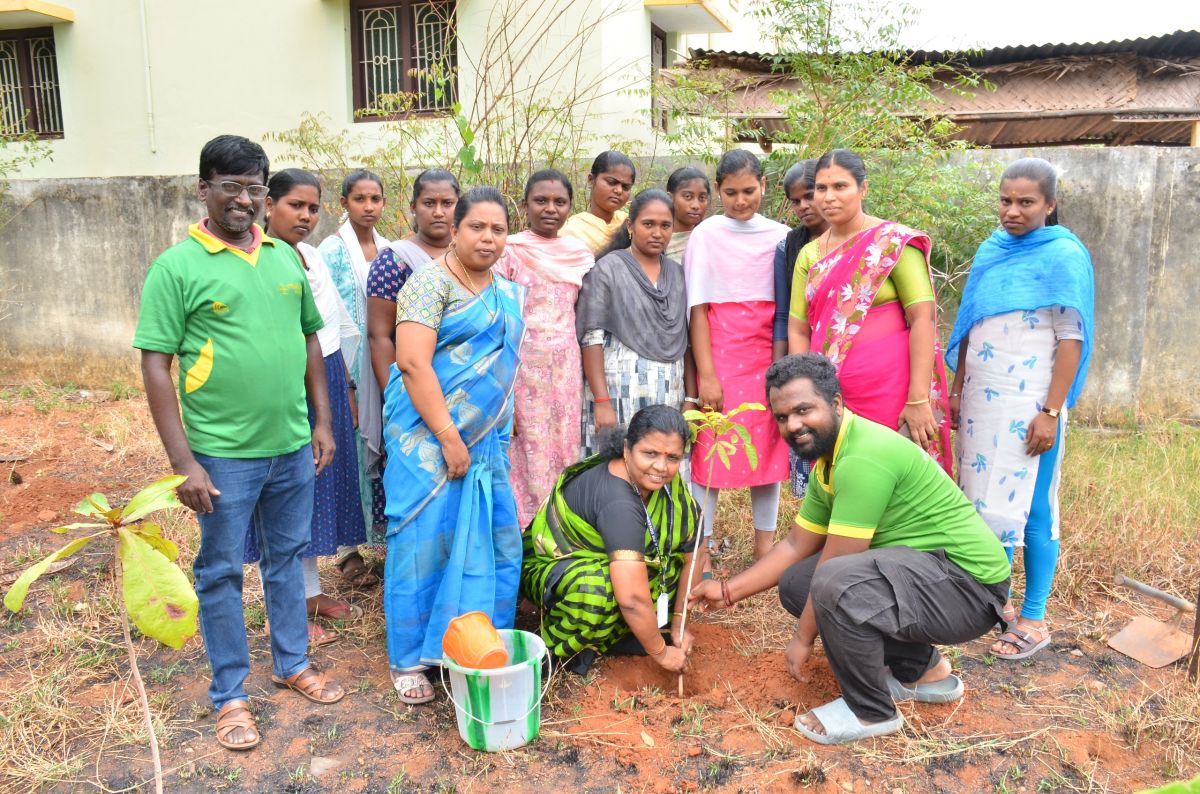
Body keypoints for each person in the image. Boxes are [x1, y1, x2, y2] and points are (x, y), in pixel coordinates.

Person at [134, 136, 344, 751]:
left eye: (255, 188)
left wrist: (322, 423)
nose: (244, 200)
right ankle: (230, 694)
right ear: (204, 189)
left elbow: (309, 340)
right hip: (222, 455)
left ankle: (291, 662)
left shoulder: (284, 258)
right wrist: (184, 462)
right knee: (222, 571)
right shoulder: (177, 267)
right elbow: (155, 365)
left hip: (291, 444)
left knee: (287, 556)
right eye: (231, 186)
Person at [690, 354, 1010, 745]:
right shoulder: (830, 459)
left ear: (836, 403)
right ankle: (922, 671)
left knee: (832, 581)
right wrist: (726, 592)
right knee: (798, 583)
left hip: (968, 588)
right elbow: (795, 545)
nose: (793, 425)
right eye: (782, 417)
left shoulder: (862, 456)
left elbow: (836, 565)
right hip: (930, 576)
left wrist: (802, 639)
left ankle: (870, 711)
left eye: (804, 410)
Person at [946, 157, 1094, 661]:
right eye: (1006, 201)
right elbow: (971, 324)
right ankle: (995, 605)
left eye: (1026, 202)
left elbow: (1071, 339)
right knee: (982, 504)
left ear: (1050, 204)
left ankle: (1033, 617)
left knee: (1034, 508)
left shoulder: (1063, 255)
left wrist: (1050, 411)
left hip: (1031, 405)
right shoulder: (992, 249)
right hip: (981, 404)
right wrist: (957, 387)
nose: (1012, 211)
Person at [382, 186, 525, 704]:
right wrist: (448, 437)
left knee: (493, 539)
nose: (488, 238)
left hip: (487, 443)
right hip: (424, 439)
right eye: (477, 227)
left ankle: (479, 645)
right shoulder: (429, 282)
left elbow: (503, 369)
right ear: (456, 230)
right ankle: (409, 660)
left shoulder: (507, 290)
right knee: (423, 542)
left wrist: (497, 427)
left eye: (498, 229)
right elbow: (412, 363)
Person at [243, 169, 366, 646]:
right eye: (295, 205)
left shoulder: (311, 257)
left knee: (313, 488)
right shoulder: (255, 258)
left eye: (313, 208)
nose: (306, 216)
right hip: (282, 383)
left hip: (325, 376)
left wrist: (345, 387)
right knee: (281, 493)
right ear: (268, 204)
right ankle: (283, 609)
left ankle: (309, 592)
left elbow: (331, 328)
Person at [787, 149, 953, 474]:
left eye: (840, 186)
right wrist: (805, 392)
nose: (828, 197)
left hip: (891, 390)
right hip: (831, 396)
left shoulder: (892, 243)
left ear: (863, 189)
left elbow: (923, 318)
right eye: (821, 188)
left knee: (893, 475)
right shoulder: (809, 254)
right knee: (842, 479)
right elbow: (798, 328)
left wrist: (918, 399)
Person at [521, 405, 701, 675]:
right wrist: (662, 654)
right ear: (627, 448)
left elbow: (693, 554)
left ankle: (628, 631)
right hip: (554, 567)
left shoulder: (667, 486)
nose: (661, 467)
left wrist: (678, 622)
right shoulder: (618, 502)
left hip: (622, 568)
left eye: (673, 457)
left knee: (666, 567)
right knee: (596, 589)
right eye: (650, 453)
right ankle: (568, 649)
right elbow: (631, 598)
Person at [685, 149, 790, 561]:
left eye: (749, 191)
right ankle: (703, 551)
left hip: (767, 356)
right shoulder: (706, 234)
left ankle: (766, 550)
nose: (741, 201)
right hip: (722, 355)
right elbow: (698, 309)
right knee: (709, 451)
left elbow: (785, 309)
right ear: (718, 190)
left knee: (767, 451)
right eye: (731, 193)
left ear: (764, 185)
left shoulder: (781, 236)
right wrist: (707, 375)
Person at [496, 169, 595, 528]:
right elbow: (499, 319)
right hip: (521, 370)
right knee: (526, 452)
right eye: (541, 200)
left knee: (565, 448)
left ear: (570, 207)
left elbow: (585, 315)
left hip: (566, 371)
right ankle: (525, 535)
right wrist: (503, 388)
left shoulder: (579, 254)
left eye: (559, 202)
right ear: (524, 205)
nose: (550, 208)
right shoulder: (509, 251)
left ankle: (562, 530)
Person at [577, 188, 693, 458]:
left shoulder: (677, 274)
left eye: (665, 226)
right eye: (648, 224)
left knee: (661, 463)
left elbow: (685, 341)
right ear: (630, 226)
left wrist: (691, 397)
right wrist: (602, 401)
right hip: (619, 393)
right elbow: (591, 338)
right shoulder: (608, 268)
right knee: (618, 464)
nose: (657, 233)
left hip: (669, 393)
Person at [319, 170, 391, 587]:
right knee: (349, 447)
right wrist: (344, 378)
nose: (368, 206)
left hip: (382, 358)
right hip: (345, 361)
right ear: (344, 202)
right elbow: (325, 314)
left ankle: (381, 537)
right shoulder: (330, 251)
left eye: (375, 199)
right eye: (360, 198)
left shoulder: (389, 248)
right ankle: (347, 549)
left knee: (382, 444)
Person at [774, 159, 829, 501]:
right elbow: (785, 315)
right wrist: (787, 372)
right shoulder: (789, 247)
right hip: (806, 357)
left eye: (810, 195)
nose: (804, 206)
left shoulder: (861, 241)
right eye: (795, 201)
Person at [561, 150, 636, 254]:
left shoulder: (631, 224)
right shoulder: (570, 231)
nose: (619, 190)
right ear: (591, 180)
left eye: (626, 187)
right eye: (611, 182)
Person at [665, 166, 710, 263]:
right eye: (688, 196)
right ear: (670, 198)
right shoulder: (657, 238)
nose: (696, 205)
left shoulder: (710, 238)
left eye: (702, 198)